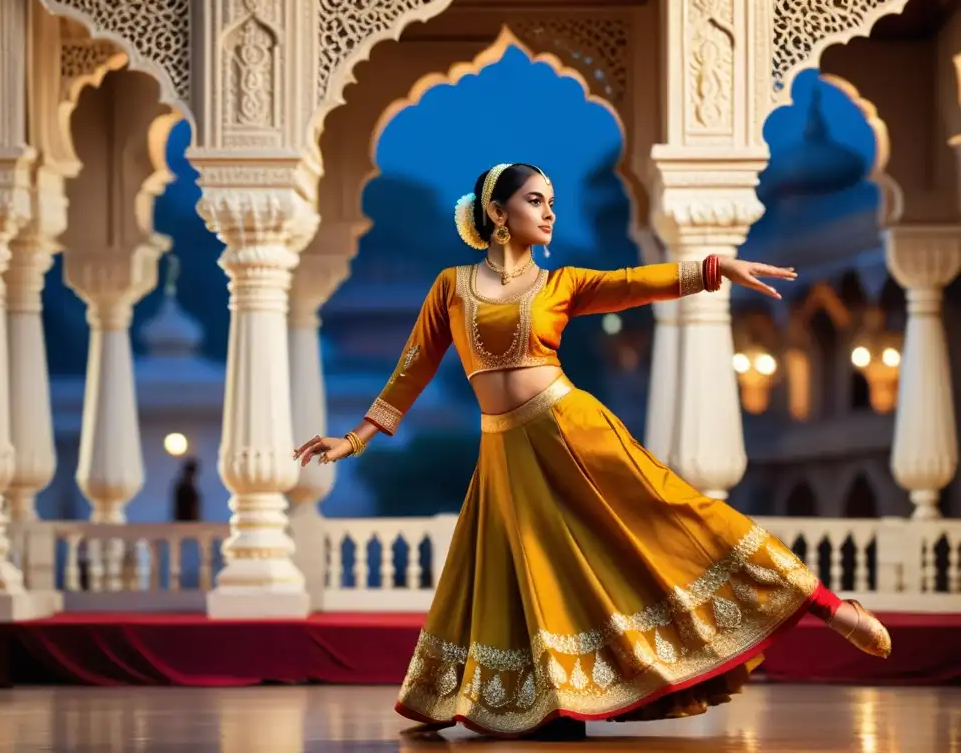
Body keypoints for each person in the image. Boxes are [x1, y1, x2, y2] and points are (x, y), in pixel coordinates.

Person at [293, 164, 890, 741]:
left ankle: (828, 607)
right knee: (532, 570)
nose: (549, 212)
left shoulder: (561, 284)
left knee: (678, 515)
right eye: (535, 201)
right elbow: (413, 365)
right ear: (498, 213)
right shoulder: (451, 286)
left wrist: (714, 268)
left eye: (553, 202)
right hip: (504, 449)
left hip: (572, 431)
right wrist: (355, 437)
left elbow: (632, 284)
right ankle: (556, 698)